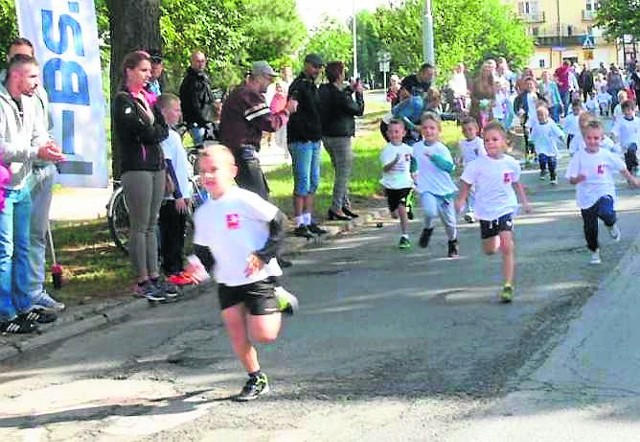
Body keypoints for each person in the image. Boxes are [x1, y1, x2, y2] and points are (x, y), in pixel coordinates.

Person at [188, 145, 298, 401]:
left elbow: (280, 222)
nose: (208, 177)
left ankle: (279, 298)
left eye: (214, 170)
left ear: (233, 171)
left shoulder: (244, 199)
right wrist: (198, 268)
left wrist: (263, 255)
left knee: (264, 335)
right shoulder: (203, 213)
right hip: (227, 280)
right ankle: (256, 377)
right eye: (203, 172)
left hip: (257, 277)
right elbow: (202, 248)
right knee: (236, 331)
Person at [0, 54, 65, 333]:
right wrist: (33, 152)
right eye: (33, 77)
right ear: (16, 76)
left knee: (23, 248)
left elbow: (37, 134)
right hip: (3, 187)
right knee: (6, 251)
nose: (37, 84)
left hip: (22, 183)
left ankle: (24, 305)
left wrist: (46, 148)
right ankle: (5, 313)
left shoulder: (31, 102)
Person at [112, 50, 173, 302]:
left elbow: (161, 128)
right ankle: (142, 279)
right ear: (129, 71)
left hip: (155, 164)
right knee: (139, 225)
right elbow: (138, 131)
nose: (148, 75)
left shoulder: (148, 98)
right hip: (137, 166)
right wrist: (153, 131)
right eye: (143, 70)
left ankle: (155, 275)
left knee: (152, 223)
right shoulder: (123, 100)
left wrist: (154, 131)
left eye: (150, 71)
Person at [455, 121, 531, 303]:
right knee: (489, 250)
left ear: (504, 141)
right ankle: (495, 240)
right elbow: (466, 183)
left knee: (507, 245)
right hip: (486, 211)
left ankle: (507, 285)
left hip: (506, 208)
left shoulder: (511, 163)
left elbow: (516, 183)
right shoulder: (476, 165)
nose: (491, 143)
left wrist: (525, 202)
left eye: (495, 139)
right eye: (487, 140)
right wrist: (461, 200)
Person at [565, 119, 640, 265]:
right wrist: (578, 179)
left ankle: (611, 224)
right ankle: (594, 251)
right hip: (586, 197)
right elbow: (571, 178)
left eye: (596, 138)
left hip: (604, 191)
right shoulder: (579, 157)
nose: (592, 141)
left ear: (601, 138)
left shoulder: (605, 155)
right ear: (584, 138)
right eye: (589, 138)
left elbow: (621, 167)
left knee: (606, 212)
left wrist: (632, 179)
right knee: (590, 228)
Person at [219, 61, 296, 201]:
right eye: (269, 78)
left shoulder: (239, 92)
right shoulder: (249, 95)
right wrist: (287, 111)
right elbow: (270, 123)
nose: (271, 83)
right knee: (259, 200)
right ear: (259, 77)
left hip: (235, 152)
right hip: (243, 153)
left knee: (254, 198)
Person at [287, 54, 327, 238]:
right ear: (306, 65)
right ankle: (299, 223)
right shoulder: (298, 85)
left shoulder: (312, 86)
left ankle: (309, 220)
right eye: (315, 66)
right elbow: (293, 108)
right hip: (301, 139)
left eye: (320, 67)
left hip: (313, 138)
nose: (317, 70)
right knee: (302, 182)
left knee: (313, 181)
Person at [319, 61, 365, 221]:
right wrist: (359, 93)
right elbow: (358, 110)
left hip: (326, 136)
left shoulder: (323, 90)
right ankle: (336, 207)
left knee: (338, 170)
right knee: (343, 173)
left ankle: (345, 204)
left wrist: (349, 89)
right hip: (341, 137)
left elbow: (338, 95)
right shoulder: (340, 96)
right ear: (339, 75)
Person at [155, 93, 192, 282]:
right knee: (171, 233)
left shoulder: (174, 135)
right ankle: (171, 269)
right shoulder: (165, 136)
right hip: (172, 198)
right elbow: (168, 164)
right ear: (163, 112)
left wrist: (186, 193)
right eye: (175, 110)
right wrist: (177, 194)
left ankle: (178, 267)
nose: (179, 114)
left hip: (182, 194)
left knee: (180, 231)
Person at [412, 113, 459, 257]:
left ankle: (452, 242)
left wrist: (435, 158)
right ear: (421, 130)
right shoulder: (416, 147)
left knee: (450, 223)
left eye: (432, 128)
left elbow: (450, 167)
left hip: (444, 190)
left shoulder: (441, 149)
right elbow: (412, 162)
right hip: (426, 188)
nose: (428, 131)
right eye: (425, 128)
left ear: (438, 130)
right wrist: (412, 173)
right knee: (429, 211)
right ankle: (428, 228)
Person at [379, 119, 414, 249]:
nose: (394, 135)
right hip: (390, 185)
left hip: (404, 184)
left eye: (397, 132)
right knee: (394, 214)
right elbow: (385, 168)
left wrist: (415, 172)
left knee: (401, 208)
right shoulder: (386, 151)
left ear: (403, 133)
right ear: (387, 134)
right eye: (392, 132)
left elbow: (415, 160)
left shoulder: (408, 149)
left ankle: (405, 236)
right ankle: (406, 208)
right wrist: (394, 161)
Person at [179, 51, 215, 144]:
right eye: (198, 61)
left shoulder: (203, 78)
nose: (201, 64)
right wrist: (204, 122)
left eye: (202, 61)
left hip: (206, 121)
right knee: (202, 149)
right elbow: (194, 105)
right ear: (192, 62)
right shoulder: (190, 81)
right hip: (197, 123)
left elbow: (209, 99)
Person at [456, 117, 486, 223]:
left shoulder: (480, 143)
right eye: (464, 130)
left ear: (476, 129)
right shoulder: (461, 144)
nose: (467, 132)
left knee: (479, 191)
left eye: (470, 129)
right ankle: (471, 210)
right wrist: (458, 162)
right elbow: (459, 156)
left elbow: (484, 157)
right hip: (468, 171)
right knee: (470, 191)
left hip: (479, 170)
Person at [530, 105, 564, 185]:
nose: (540, 117)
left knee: (552, 162)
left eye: (542, 115)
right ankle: (543, 169)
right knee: (542, 158)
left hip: (550, 146)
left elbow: (557, 131)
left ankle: (553, 175)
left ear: (546, 115)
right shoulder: (536, 125)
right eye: (538, 115)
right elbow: (533, 135)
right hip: (541, 146)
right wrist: (530, 142)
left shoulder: (551, 124)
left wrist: (561, 136)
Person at [610, 100, 640, 174]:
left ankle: (636, 164)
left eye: (630, 110)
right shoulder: (620, 121)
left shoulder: (637, 120)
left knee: (631, 150)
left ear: (633, 110)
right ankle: (630, 179)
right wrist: (613, 139)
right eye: (625, 110)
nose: (628, 112)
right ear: (623, 111)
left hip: (635, 144)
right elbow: (614, 131)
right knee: (628, 166)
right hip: (624, 145)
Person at [469, 60, 497, 129]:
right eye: (484, 70)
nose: (486, 73)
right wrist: (480, 103)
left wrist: (489, 103)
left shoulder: (492, 83)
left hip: (488, 111)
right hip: (476, 110)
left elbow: (494, 98)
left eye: (488, 71)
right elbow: (472, 96)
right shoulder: (476, 82)